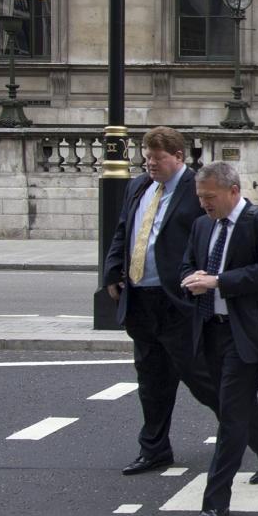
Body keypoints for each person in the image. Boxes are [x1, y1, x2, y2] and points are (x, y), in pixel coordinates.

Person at [179, 162, 258, 516]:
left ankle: (214, 502)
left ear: (232, 191)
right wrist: (191, 277)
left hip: (246, 333)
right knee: (237, 405)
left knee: (230, 417)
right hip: (208, 330)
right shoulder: (201, 225)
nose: (203, 204)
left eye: (209, 197)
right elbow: (188, 262)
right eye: (200, 197)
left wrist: (218, 282)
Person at [101, 126, 219, 475]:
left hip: (178, 302)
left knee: (201, 379)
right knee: (151, 380)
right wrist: (112, 272)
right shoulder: (138, 186)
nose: (150, 163)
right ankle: (154, 449)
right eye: (147, 156)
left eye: (158, 157)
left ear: (178, 157)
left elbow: (213, 236)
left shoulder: (195, 188)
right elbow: (124, 229)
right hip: (141, 299)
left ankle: (250, 433)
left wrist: (204, 280)